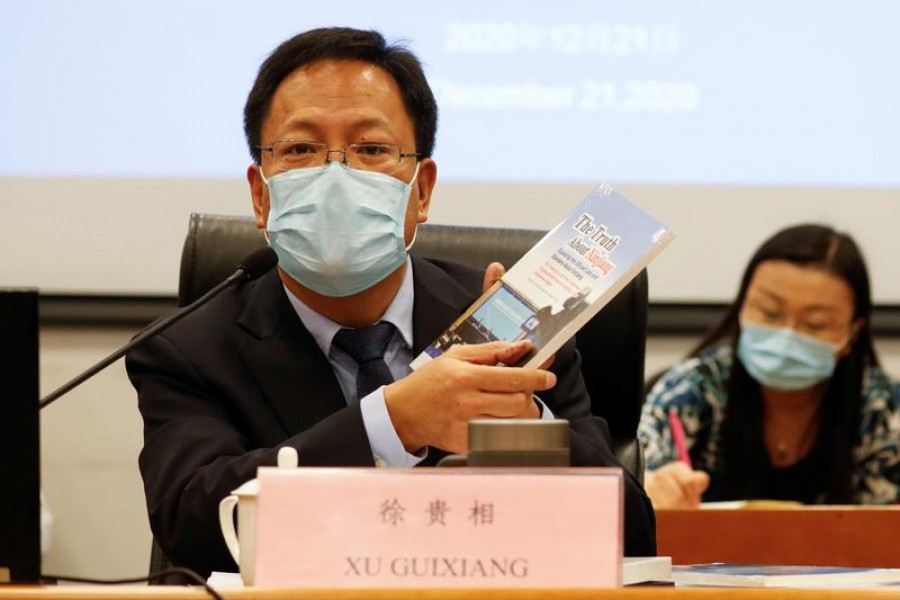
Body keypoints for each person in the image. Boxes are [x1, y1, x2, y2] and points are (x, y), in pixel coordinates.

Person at [126, 27, 655, 576]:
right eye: (301, 149)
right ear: (261, 194)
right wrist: (392, 421)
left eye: (371, 149)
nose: (336, 174)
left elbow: (632, 539)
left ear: (421, 190)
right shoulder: (186, 350)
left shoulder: (508, 325)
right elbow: (193, 527)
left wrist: (521, 423)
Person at [638, 224, 900, 509]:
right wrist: (651, 488)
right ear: (742, 305)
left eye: (816, 324)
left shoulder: (884, 411)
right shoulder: (691, 390)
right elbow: (635, 481)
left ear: (853, 333)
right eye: (770, 312)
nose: (787, 335)